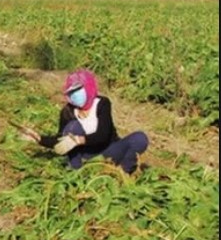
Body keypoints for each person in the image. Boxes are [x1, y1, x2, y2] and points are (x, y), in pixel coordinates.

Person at [18, 69, 149, 174]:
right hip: (85, 156)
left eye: (78, 89)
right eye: (72, 92)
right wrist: (39, 139)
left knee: (139, 138)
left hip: (108, 150)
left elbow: (103, 135)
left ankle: (122, 172)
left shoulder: (102, 104)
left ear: (88, 87)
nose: (76, 95)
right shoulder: (67, 112)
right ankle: (76, 173)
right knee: (73, 127)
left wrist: (79, 140)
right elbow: (61, 140)